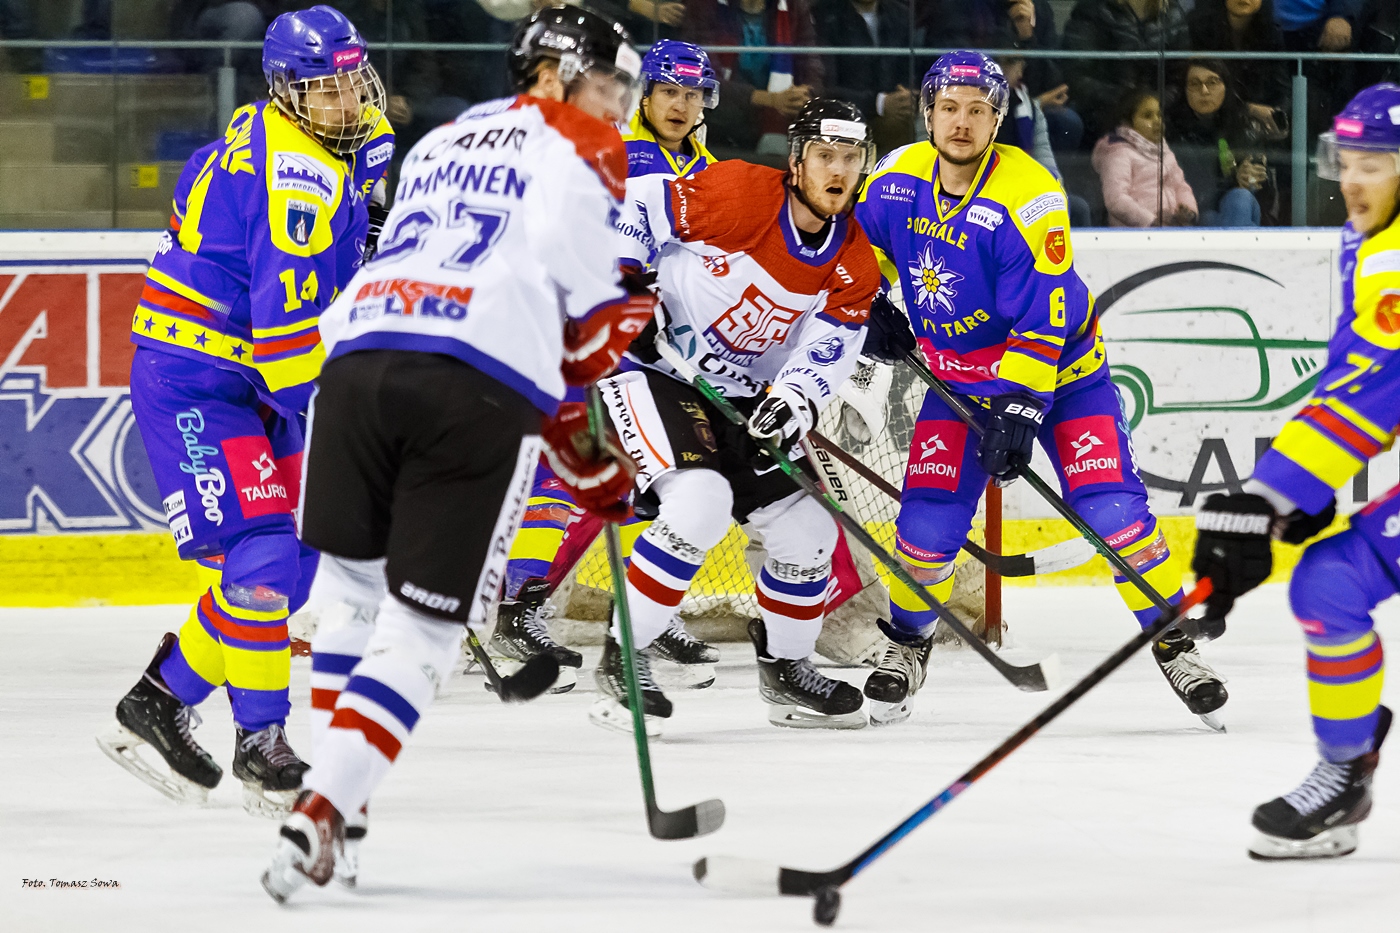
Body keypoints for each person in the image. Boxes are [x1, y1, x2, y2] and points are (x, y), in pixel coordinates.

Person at [260, 5, 653, 901]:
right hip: (467, 387)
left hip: (355, 363)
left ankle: (342, 821)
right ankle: (320, 810)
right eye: (606, 85)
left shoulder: (444, 136)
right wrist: (591, 456)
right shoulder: (586, 150)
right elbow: (591, 325)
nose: (617, 107)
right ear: (551, 74)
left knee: (351, 598)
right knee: (424, 629)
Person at [853, 52, 1224, 726]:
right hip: (959, 387)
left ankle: (1176, 640)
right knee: (925, 529)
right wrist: (867, 300)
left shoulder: (1030, 196)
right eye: (950, 108)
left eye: (978, 110)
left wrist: (1022, 407)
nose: (962, 122)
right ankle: (906, 645)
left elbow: (1047, 311)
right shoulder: (895, 179)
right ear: (928, 111)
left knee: (1117, 519)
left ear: (998, 118)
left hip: (1064, 380)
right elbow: (860, 249)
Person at [95, 5, 395, 818]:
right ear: (287, 93)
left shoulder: (351, 136)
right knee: (262, 553)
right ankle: (262, 741)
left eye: (351, 82)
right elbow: (288, 343)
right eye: (323, 89)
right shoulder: (294, 176)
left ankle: (159, 697)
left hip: (255, 373)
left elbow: (355, 233)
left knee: (298, 559)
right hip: (199, 376)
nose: (345, 101)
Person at [597, 98, 881, 732]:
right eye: (826, 157)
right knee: (697, 504)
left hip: (743, 400)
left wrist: (793, 402)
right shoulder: (739, 192)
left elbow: (827, 352)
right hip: (654, 369)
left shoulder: (854, 262)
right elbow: (633, 206)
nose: (838, 172)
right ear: (799, 159)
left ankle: (786, 671)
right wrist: (627, 286)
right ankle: (623, 659)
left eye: (852, 159)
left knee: (807, 532)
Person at [1191, 83, 1399, 861]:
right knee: (1329, 583)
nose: (1352, 179)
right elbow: (1351, 376)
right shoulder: (1367, 239)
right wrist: (1286, 501)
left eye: (1375, 164)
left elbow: (1375, 398)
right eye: (1345, 162)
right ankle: (1345, 770)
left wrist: (1270, 496)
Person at [492, 39, 724, 694]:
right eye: (668, 92)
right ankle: (519, 604)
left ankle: (644, 611)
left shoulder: (706, 167)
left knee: (653, 489)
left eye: (693, 94)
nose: (680, 106)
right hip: (596, 340)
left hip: (663, 350)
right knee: (590, 477)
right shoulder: (615, 149)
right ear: (643, 94)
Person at [682, 0, 824, 157]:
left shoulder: (793, 7)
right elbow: (703, 79)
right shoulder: (704, 7)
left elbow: (811, 64)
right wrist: (769, 99)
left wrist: (804, 93)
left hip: (779, 119)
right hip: (720, 121)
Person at [1062, 0, 1191, 142]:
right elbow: (1076, 75)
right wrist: (1128, 103)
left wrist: (1153, 104)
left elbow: (1180, 75)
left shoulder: (1172, 12)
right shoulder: (1092, 9)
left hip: (1161, 114)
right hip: (1105, 113)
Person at [1167, 60, 1272, 227]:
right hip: (1198, 212)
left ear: (1226, 86)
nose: (1204, 90)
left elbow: (1267, 193)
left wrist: (1251, 178)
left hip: (1242, 206)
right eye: (1195, 84)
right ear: (1184, 90)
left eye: (1212, 82)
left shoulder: (1245, 126)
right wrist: (1234, 180)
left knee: (1240, 198)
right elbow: (1193, 193)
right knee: (1216, 215)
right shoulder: (1175, 133)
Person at [811, 0, 919, 154]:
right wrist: (879, 103)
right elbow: (824, 87)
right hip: (842, 118)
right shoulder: (824, 16)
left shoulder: (901, 14)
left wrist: (905, 95)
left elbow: (910, 70)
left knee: (902, 123)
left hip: (891, 116)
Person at [1092, 88, 1198, 227]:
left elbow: (1181, 186)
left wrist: (1188, 211)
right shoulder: (1118, 153)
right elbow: (1116, 199)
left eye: (1159, 115)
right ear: (1127, 122)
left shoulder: (1165, 153)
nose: (1157, 121)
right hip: (1136, 235)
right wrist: (1151, 221)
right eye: (1148, 116)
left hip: (1170, 230)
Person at [1187, 0, 1292, 128]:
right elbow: (1199, 86)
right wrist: (1247, 109)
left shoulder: (1272, 30)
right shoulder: (1199, 26)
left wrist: (1277, 117)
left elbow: (1281, 87)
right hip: (1208, 118)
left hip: (1255, 122)